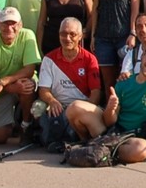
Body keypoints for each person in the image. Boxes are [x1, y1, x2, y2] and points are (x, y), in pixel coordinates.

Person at [73, 42, 146, 163]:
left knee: (142, 149)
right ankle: (90, 146)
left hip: (132, 139)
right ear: (142, 56)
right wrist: (110, 108)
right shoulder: (124, 82)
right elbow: (109, 122)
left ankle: (97, 152)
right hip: (111, 132)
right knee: (75, 107)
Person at [36, 17, 101, 152]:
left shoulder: (90, 59)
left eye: (72, 34)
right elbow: (43, 90)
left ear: (80, 36)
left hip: (79, 107)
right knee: (38, 109)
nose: (67, 38)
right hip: (58, 106)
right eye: (63, 34)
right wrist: (52, 101)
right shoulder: (49, 59)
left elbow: (96, 93)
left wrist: (83, 110)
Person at [0, 7, 42, 145]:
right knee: (0, 137)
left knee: (27, 85)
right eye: (5, 23)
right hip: (1, 90)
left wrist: (2, 82)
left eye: (13, 23)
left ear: (20, 25)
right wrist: (9, 87)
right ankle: (12, 122)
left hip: (13, 83)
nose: (9, 28)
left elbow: (29, 70)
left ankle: (26, 125)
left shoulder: (28, 35)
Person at [92, 0, 140, 95]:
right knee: (108, 84)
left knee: (125, 79)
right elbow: (96, 8)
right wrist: (93, 35)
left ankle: (125, 109)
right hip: (103, 38)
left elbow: (135, 7)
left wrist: (133, 32)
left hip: (124, 37)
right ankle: (110, 109)